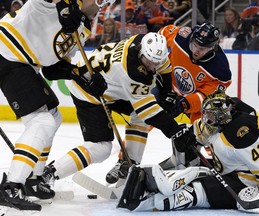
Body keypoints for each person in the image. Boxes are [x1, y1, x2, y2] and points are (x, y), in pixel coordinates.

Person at [40, 33, 196, 196]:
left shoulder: (146, 44)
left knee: (139, 116)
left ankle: (128, 165)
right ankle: (49, 173)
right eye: (148, 62)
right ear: (141, 52)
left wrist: (166, 93)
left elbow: (163, 66)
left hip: (112, 86)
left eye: (155, 62)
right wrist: (174, 130)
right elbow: (147, 110)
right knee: (101, 147)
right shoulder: (131, 71)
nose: (152, 66)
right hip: (88, 91)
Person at [0, 0, 109, 213]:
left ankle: (34, 179)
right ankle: (11, 186)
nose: (100, 7)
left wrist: (82, 76)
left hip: (24, 64)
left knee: (53, 115)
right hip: (6, 52)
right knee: (42, 121)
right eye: (99, 1)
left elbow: (52, 69)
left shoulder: (83, 26)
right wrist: (63, 7)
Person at [117, 90, 259, 213]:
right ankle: (159, 183)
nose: (206, 120)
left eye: (211, 117)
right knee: (195, 169)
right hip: (228, 169)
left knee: (202, 189)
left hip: (247, 181)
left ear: (222, 117)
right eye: (206, 116)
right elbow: (197, 133)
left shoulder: (242, 133)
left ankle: (155, 201)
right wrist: (186, 138)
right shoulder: (219, 120)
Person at [105, 22, 232, 184]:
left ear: (212, 48)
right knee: (143, 117)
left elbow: (207, 97)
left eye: (202, 48)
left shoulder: (220, 69)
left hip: (194, 100)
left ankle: (219, 164)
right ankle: (125, 162)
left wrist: (185, 104)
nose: (196, 51)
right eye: (194, 45)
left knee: (207, 130)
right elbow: (161, 35)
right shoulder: (181, 36)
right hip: (167, 89)